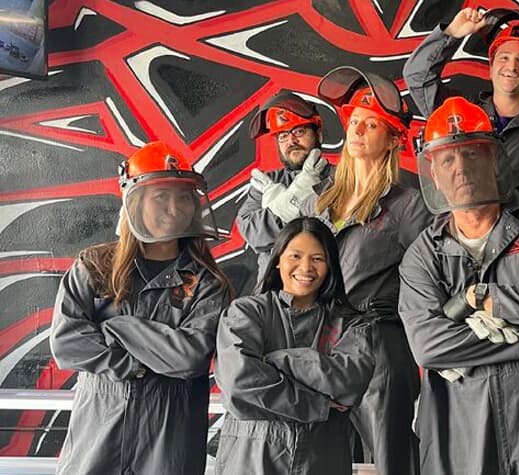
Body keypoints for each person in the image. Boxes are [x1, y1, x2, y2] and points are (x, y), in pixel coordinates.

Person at [398, 96, 519, 474]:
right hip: (458, 429)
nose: (461, 169)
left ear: (493, 158)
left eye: (472, 154)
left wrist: (486, 298)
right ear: (434, 174)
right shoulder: (423, 255)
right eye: (448, 160)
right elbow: (427, 346)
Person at [50, 141, 233, 474]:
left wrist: (117, 327)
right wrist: (132, 365)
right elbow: (67, 343)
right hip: (99, 433)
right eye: (160, 196)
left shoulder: (207, 283)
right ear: (134, 202)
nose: (174, 208)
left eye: (182, 197)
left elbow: (188, 358)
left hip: (169, 439)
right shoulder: (94, 267)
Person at [300, 66, 432, 475]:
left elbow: (431, 279)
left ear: (393, 138)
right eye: (354, 122)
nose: (357, 130)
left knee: (391, 460)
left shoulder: (410, 206)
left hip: (380, 352)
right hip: (319, 346)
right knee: (319, 459)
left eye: (371, 123)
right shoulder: (316, 204)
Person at [215, 217, 375, 475]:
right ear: (277, 259)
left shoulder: (350, 323)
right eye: (295, 256)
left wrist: (277, 361)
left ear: (330, 266)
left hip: (322, 457)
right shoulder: (246, 312)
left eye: (317, 259)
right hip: (251, 459)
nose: (306, 267)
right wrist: (317, 405)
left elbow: (349, 382)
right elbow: (238, 382)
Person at [403, 7, 519, 199]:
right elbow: (417, 76)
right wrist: (452, 33)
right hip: (460, 225)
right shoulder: (458, 115)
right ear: (491, 65)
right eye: (504, 58)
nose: (512, 66)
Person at [237, 90, 332, 283]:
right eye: (282, 135)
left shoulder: (343, 179)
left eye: (299, 131)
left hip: (327, 293)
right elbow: (253, 234)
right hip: (271, 295)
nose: (291, 141)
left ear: (318, 134)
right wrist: (289, 203)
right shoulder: (265, 183)